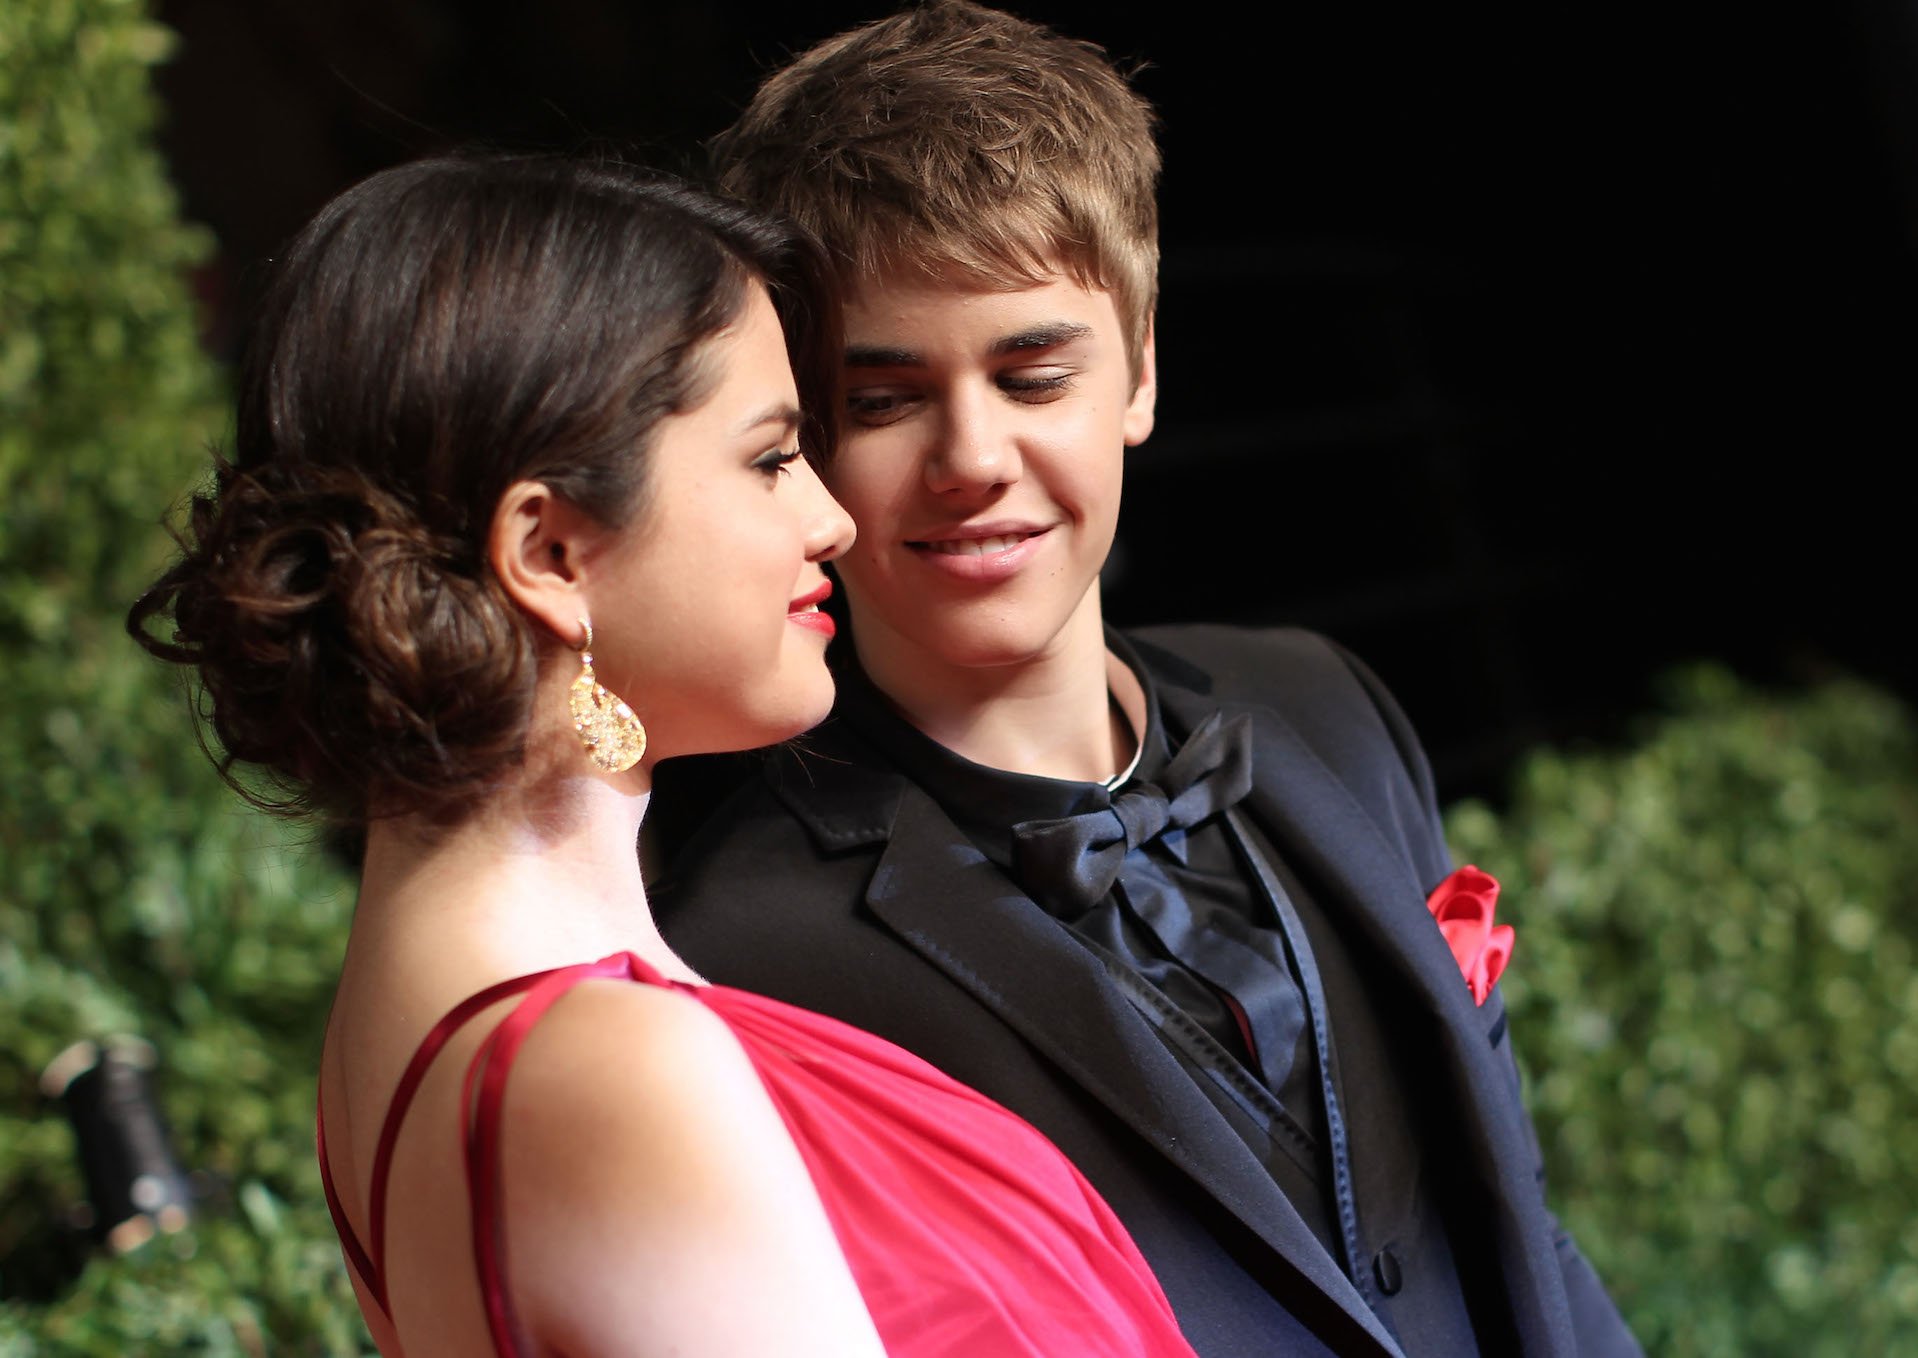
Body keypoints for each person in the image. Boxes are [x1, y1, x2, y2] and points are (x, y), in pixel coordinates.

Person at [649, 5, 1643, 1356]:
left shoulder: (1321, 702)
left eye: (1034, 372)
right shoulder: (737, 948)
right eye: (884, 399)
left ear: (1143, 370)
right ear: (803, 431)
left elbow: (1520, 1226)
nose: (972, 455)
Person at [130, 153, 1197, 1357]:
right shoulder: (608, 1066)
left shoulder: (438, 1023)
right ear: (551, 551)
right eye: (769, 456)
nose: (830, 518)